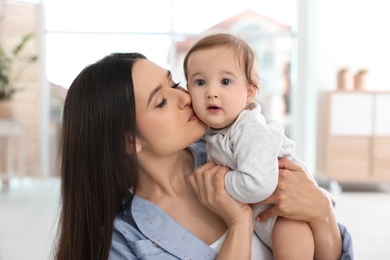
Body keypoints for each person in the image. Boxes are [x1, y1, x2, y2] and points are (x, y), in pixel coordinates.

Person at [53, 52, 353, 260]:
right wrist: (238, 223)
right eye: (161, 102)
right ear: (129, 141)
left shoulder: (237, 151)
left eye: (174, 84)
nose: (185, 98)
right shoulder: (123, 241)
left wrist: (322, 211)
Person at [183, 33, 326, 259]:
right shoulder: (213, 132)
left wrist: (220, 182)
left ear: (249, 93)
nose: (212, 92)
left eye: (225, 82)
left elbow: (258, 184)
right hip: (264, 216)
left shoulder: (250, 130)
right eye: (200, 82)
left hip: (288, 217)